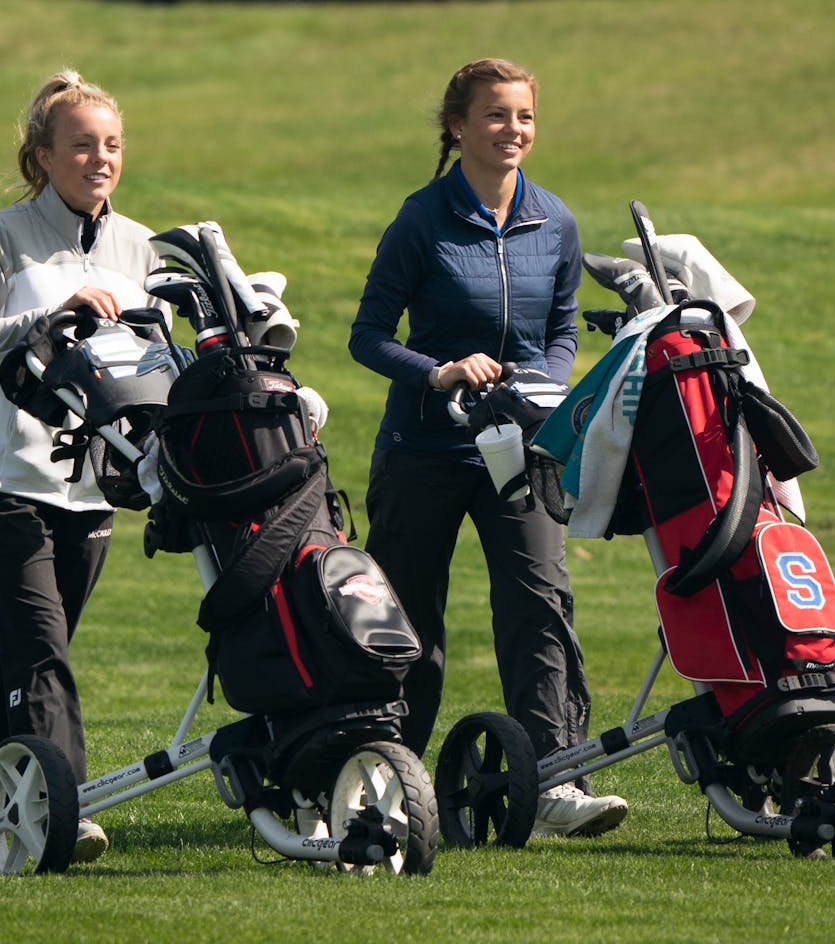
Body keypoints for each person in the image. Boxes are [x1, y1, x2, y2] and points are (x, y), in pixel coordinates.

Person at [349, 58, 627, 837]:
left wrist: (550, 381)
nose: (513, 131)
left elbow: (565, 324)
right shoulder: (421, 219)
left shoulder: (555, 221)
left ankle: (554, 785)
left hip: (521, 452)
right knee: (406, 625)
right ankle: (383, 783)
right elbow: (367, 336)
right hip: (425, 450)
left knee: (540, 605)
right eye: (497, 116)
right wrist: (437, 372)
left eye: (524, 117)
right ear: (458, 127)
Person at [0, 69, 161, 861]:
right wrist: (49, 315)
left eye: (113, 144)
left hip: (92, 489)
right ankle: (67, 802)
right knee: (41, 651)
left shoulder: (140, 245)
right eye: (82, 145)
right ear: (43, 157)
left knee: (21, 658)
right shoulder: (3, 232)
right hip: (2, 481)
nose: (101, 158)